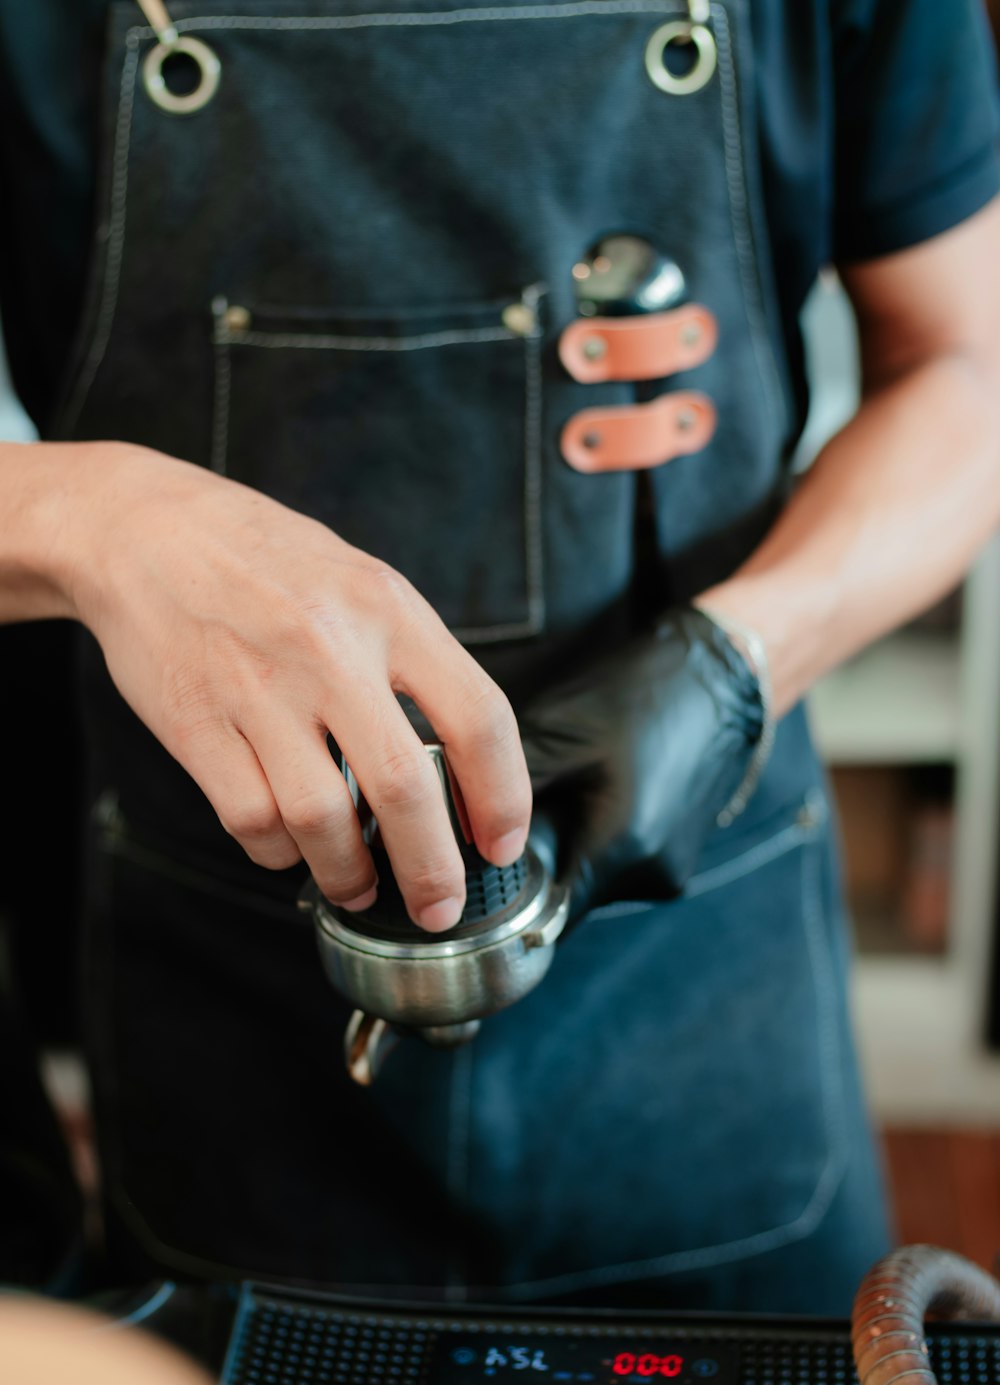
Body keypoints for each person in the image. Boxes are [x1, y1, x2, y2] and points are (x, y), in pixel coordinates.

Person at [0, 0, 998, 1313]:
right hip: (234, 1004)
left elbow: (968, 363)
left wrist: (740, 662)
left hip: (698, 962)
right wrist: (95, 521)